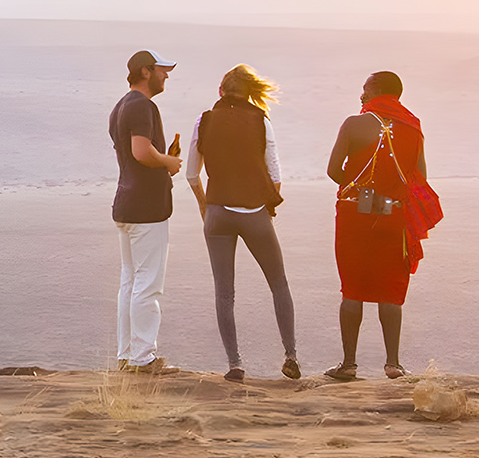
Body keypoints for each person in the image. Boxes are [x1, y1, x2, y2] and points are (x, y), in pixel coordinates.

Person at [324, 70, 445, 380]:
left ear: (376, 89)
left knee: (352, 289)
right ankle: (393, 364)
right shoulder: (414, 129)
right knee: (390, 289)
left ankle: (349, 365)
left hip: (354, 216)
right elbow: (420, 178)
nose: (361, 94)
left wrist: (364, 191)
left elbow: (333, 170)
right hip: (394, 217)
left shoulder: (353, 124)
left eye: (365, 88)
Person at [187, 64, 299, 382]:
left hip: (218, 214)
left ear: (220, 91)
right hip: (254, 214)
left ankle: (235, 365)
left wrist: (204, 206)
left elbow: (192, 174)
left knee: (224, 293)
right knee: (279, 284)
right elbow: (275, 176)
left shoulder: (204, 120)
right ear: (250, 93)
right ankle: (290, 354)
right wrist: (266, 206)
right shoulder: (262, 122)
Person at [108, 49, 181, 373]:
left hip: (126, 204)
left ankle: (126, 355)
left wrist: (163, 159)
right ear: (146, 71)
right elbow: (141, 151)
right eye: (163, 70)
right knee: (148, 284)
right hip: (147, 209)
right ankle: (144, 359)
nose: (167, 76)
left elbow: (135, 154)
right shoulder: (142, 106)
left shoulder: (120, 106)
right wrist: (169, 162)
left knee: (130, 282)